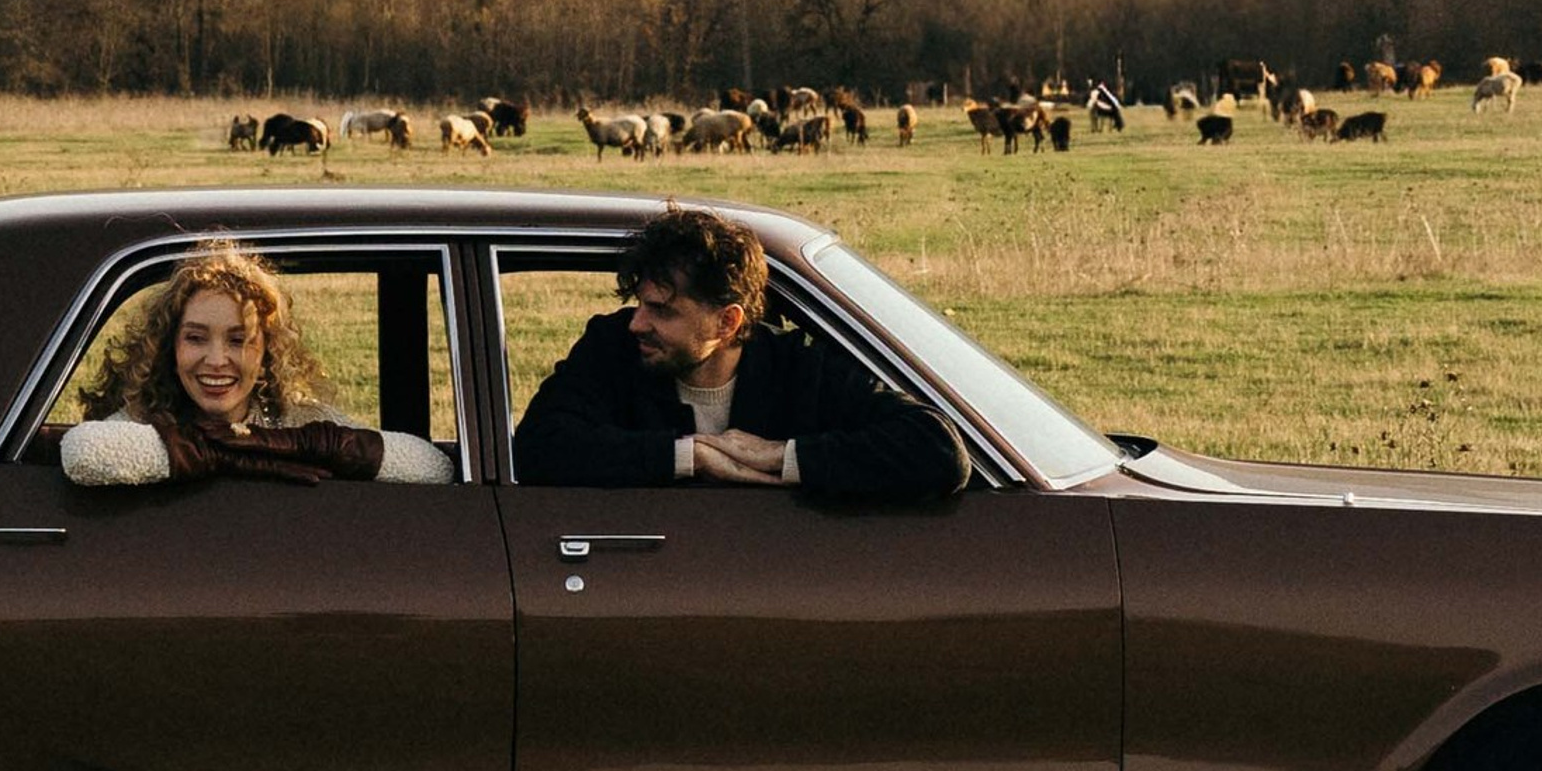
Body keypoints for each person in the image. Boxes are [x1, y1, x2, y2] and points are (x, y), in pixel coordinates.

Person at [511, 204, 969, 499]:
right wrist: (689, 456)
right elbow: (536, 449)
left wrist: (780, 457)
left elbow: (938, 452)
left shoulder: (801, 367)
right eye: (639, 303)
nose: (637, 323)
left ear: (727, 322)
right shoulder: (613, 348)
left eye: (662, 310)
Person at [59, 238, 454, 487]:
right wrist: (222, 452)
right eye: (195, 338)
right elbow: (83, 453)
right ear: (169, 347)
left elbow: (432, 467)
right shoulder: (145, 419)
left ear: (266, 351)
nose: (217, 360)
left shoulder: (298, 420)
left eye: (239, 340)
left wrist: (299, 444)